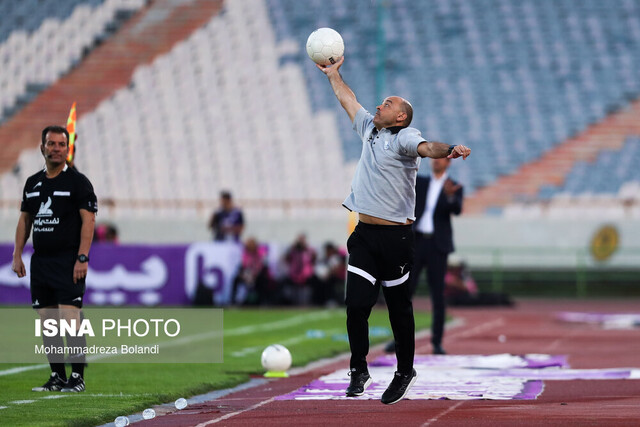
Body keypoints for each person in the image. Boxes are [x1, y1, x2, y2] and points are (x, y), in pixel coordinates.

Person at [316, 56, 470, 404]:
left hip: (396, 240)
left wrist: (450, 149)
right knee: (355, 305)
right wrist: (333, 74)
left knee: (400, 310)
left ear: (400, 116)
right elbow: (347, 99)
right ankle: (359, 369)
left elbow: (427, 148)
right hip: (364, 237)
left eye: (387, 104)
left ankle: (405, 371)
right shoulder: (369, 128)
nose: (378, 106)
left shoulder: (405, 137)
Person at [11, 125, 97, 393]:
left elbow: (89, 221)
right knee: (48, 323)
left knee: (70, 319)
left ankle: (77, 377)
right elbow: (25, 220)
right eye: (51, 144)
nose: (56, 149)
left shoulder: (78, 182)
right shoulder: (32, 183)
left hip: (68, 260)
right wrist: (17, 254)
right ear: (42, 147)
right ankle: (57, 376)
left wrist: (82, 257)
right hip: (41, 262)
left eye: (61, 144)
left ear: (67, 149)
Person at [410, 157, 464, 355]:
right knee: (405, 292)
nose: (436, 161)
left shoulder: (454, 185)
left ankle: (437, 341)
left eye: (440, 159)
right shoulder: (421, 182)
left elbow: (456, 209)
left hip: (437, 245)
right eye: (434, 158)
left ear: (448, 163)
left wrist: (450, 197)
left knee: (438, 296)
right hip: (417, 242)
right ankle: (399, 339)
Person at [282, 234, 316, 305]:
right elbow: (286, 259)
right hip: (294, 275)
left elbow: (314, 259)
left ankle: (305, 303)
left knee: (305, 291)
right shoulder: (293, 251)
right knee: (294, 291)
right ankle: (295, 304)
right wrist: (293, 247)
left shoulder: (309, 250)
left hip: (306, 275)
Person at [311, 242, 347, 306]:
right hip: (337, 276)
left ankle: (334, 300)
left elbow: (341, 266)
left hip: (343, 277)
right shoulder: (332, 257)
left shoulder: (340, 253)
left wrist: (330, 273)